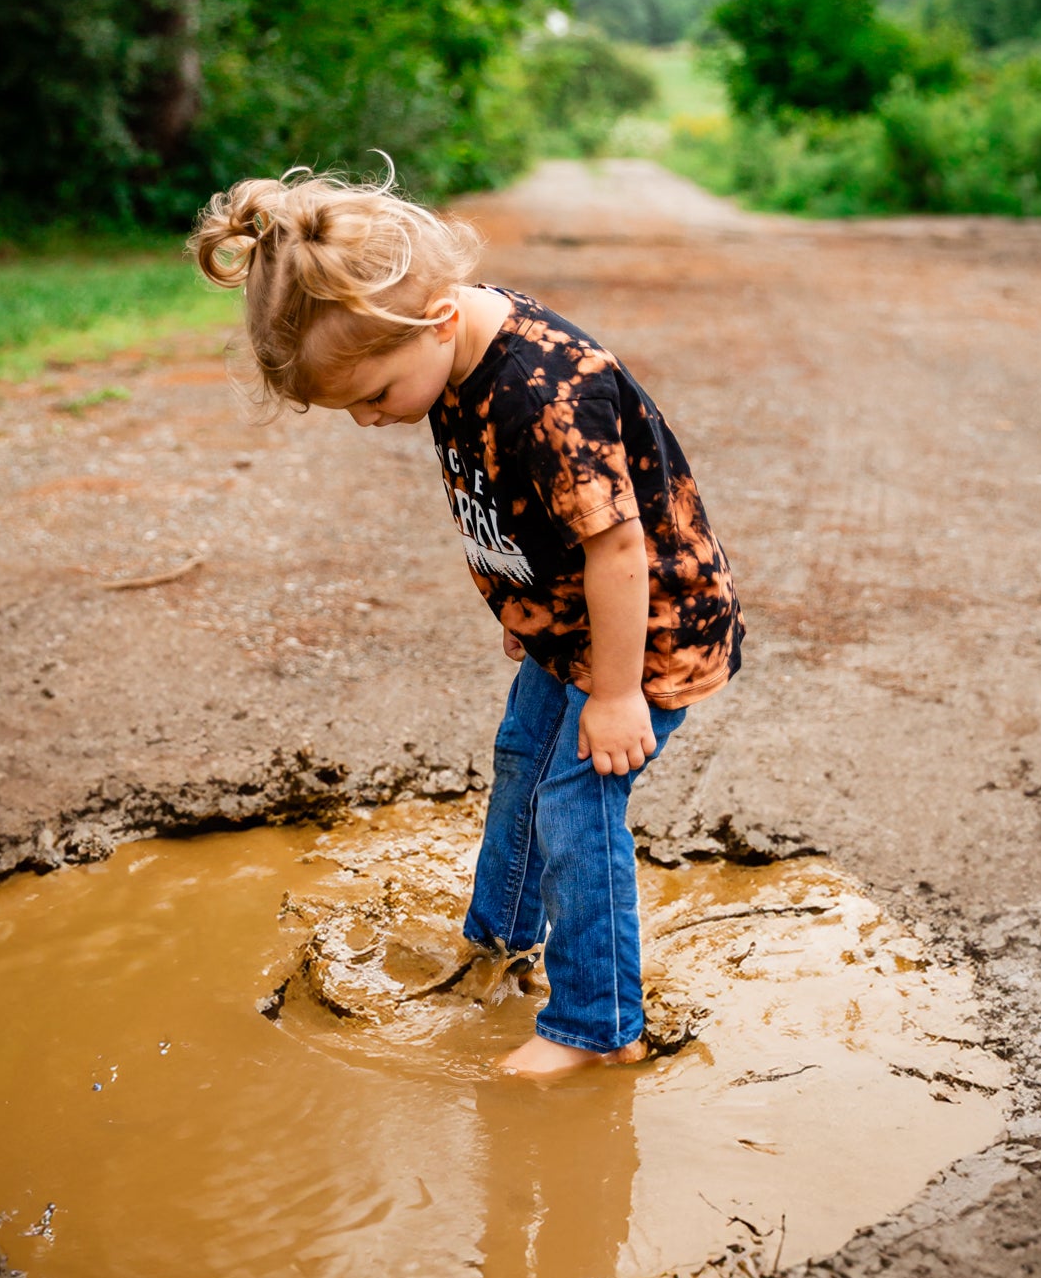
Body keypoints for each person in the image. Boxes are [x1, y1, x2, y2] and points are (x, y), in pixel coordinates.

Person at [190, 164, 744, 1079]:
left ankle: (599, 1024)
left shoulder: (542, 392)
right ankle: (500, 940)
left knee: (575, 799)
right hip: (566, 623)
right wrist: (523, 607)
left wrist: (613, 697)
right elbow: (512, 505)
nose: (371, 420)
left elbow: (616, 551)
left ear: (437, 322)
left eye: (373, 396)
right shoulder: (444, 344)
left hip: (646, 631)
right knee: (522, 758)